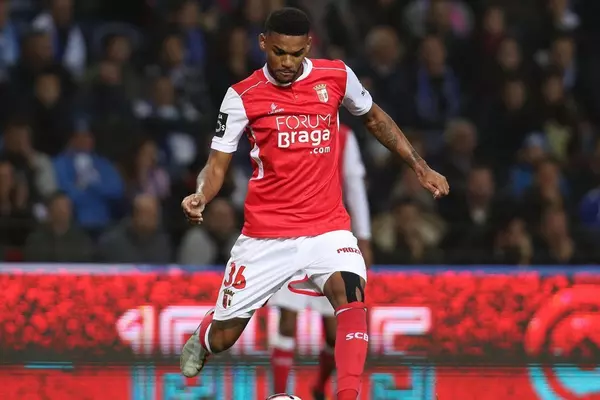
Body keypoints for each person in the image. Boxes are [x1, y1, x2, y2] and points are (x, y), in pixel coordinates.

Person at [179, 8, 449, 400]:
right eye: (278, 52)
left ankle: (348, 395)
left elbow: (375, 118)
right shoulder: (242, 96)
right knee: (223, 339)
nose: (287, 63)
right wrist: (202, 194)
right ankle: (206, 333)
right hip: (266, 236)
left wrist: (420, 167)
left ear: (308, 46)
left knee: (351, 296)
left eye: (295, 53)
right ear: (263, 44)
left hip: (327, 228)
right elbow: (217, 164)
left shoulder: (336, 76)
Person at [268, 123, 372, 399]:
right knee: (287, 319)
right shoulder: (286, 128)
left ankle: (319, 387)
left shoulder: (344, 136)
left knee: (334, 330)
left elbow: (354, 186)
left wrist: (364, 237)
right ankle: (280, 394)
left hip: (330, 239)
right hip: (289, 235)